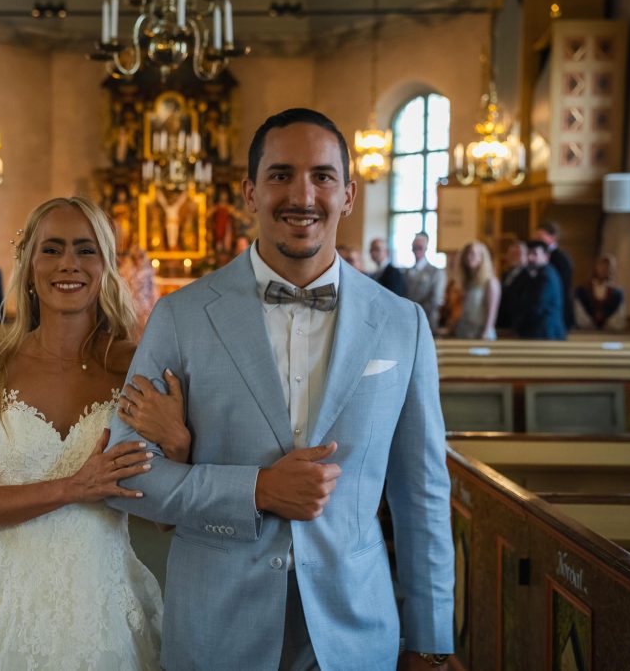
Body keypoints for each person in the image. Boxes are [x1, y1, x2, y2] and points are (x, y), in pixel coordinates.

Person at [108, 108, 454, 671]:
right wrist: (257, 490)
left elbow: (422, 494)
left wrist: (431, 639)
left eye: (322, 176)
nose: (302, 195)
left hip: (353, 626)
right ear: (249, 192)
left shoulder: (401, 323)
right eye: (280, 175)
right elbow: (124, 474)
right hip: (217, 625)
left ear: (347, 195)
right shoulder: (182, 316)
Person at [0, 196, 180, 669]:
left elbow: (167, 521)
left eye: (85, 249)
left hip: (103, 602)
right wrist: (74, 486)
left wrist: (177, 443)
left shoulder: (136, 366)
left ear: (106, 264)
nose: (68, 263)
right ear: (29, 263)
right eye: (51, 249)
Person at [511, 240, 567, 340]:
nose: (530, 258)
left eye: (535, 254)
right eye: (528, 253)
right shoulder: (538, 274)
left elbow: (537, 307)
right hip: (539, 332)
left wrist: (519, 325)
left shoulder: (546, 276)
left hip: (545, 333)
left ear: (546, 257)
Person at [450, 241, 500, 340]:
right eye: (467, 253)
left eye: (473, 253)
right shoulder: (466, 283)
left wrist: (486, 332)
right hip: (464, 331)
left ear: (482, 257)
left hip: (481, 333)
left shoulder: (490, 282)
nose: (469, 257)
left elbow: (492, 312)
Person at [404, 231, 446, 332]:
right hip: (408, 321)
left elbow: (435, 299)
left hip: (428, 321)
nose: (417, 250)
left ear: (426, 249)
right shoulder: (406, 272)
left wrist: (417, 312)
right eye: (415, 247)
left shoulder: (436, 272)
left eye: (420, 247)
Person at [535, 222, 574, 330]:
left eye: (540, 237)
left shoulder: (561, 258)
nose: (537, 241)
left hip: (559, 311)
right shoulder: (540, 255)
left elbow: (562, 288)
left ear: (552, 237)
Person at [573, 254, 626, 330]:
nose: (604, 270)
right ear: (596, 267)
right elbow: (579, 312)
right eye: (602, 266)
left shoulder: (617, 293)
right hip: (586, 332)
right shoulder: (582, 290)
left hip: (608, 332)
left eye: (607, 267)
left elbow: (619, 316)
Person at [497, 240, 527, 331]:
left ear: (526, 255)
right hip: (505, 323)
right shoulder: (505, 274)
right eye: (511, 253)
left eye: (518, 253)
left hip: (518, 324)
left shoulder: (528, 275)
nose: (514, 257)